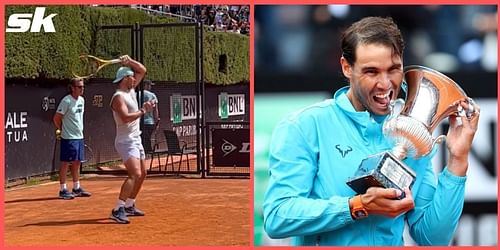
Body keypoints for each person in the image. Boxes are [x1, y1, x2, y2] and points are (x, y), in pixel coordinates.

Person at [262, 16, 480, 246]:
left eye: (394, 69)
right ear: (347, 68)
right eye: (371, 71)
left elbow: (432, 239)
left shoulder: (413, 137)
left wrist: (457, 160)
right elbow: (278, 217)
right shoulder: (305, 126)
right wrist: (358, 206)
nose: (385, 84)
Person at [109, 55, 155, 224]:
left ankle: (129, 205)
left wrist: (129, 62)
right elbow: (126, 117)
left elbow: (142, 69)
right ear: (125, 79)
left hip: (136, 139)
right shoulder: (118, 97)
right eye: (131, 76)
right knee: (135, 173)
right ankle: (117, 208)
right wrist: (144, 110)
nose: (135, 79)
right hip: (125, 141)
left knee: (143, 174)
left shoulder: (131, 90)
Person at [53, 78, 92, 199]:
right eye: (79, 87)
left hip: (79, 136)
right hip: (68, 137)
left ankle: (76, 187)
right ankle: (63, 190)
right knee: (65, 163)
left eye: (83, 87)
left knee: (77, 162)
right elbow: (56, 118)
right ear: (73, 88)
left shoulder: (82, 100)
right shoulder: (66, 101)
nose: (82, 89)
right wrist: (63, 130)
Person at [141, 79, 160, 153]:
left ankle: (145, 153)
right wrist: (157, 121)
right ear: (145, 85)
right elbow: (156, 110)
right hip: (149, 123)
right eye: (149, 85)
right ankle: (147, 153)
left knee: (142, 139)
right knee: (146, 140)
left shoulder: (136, 94)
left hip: (139, 122)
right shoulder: (152, 95)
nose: (150, 87)